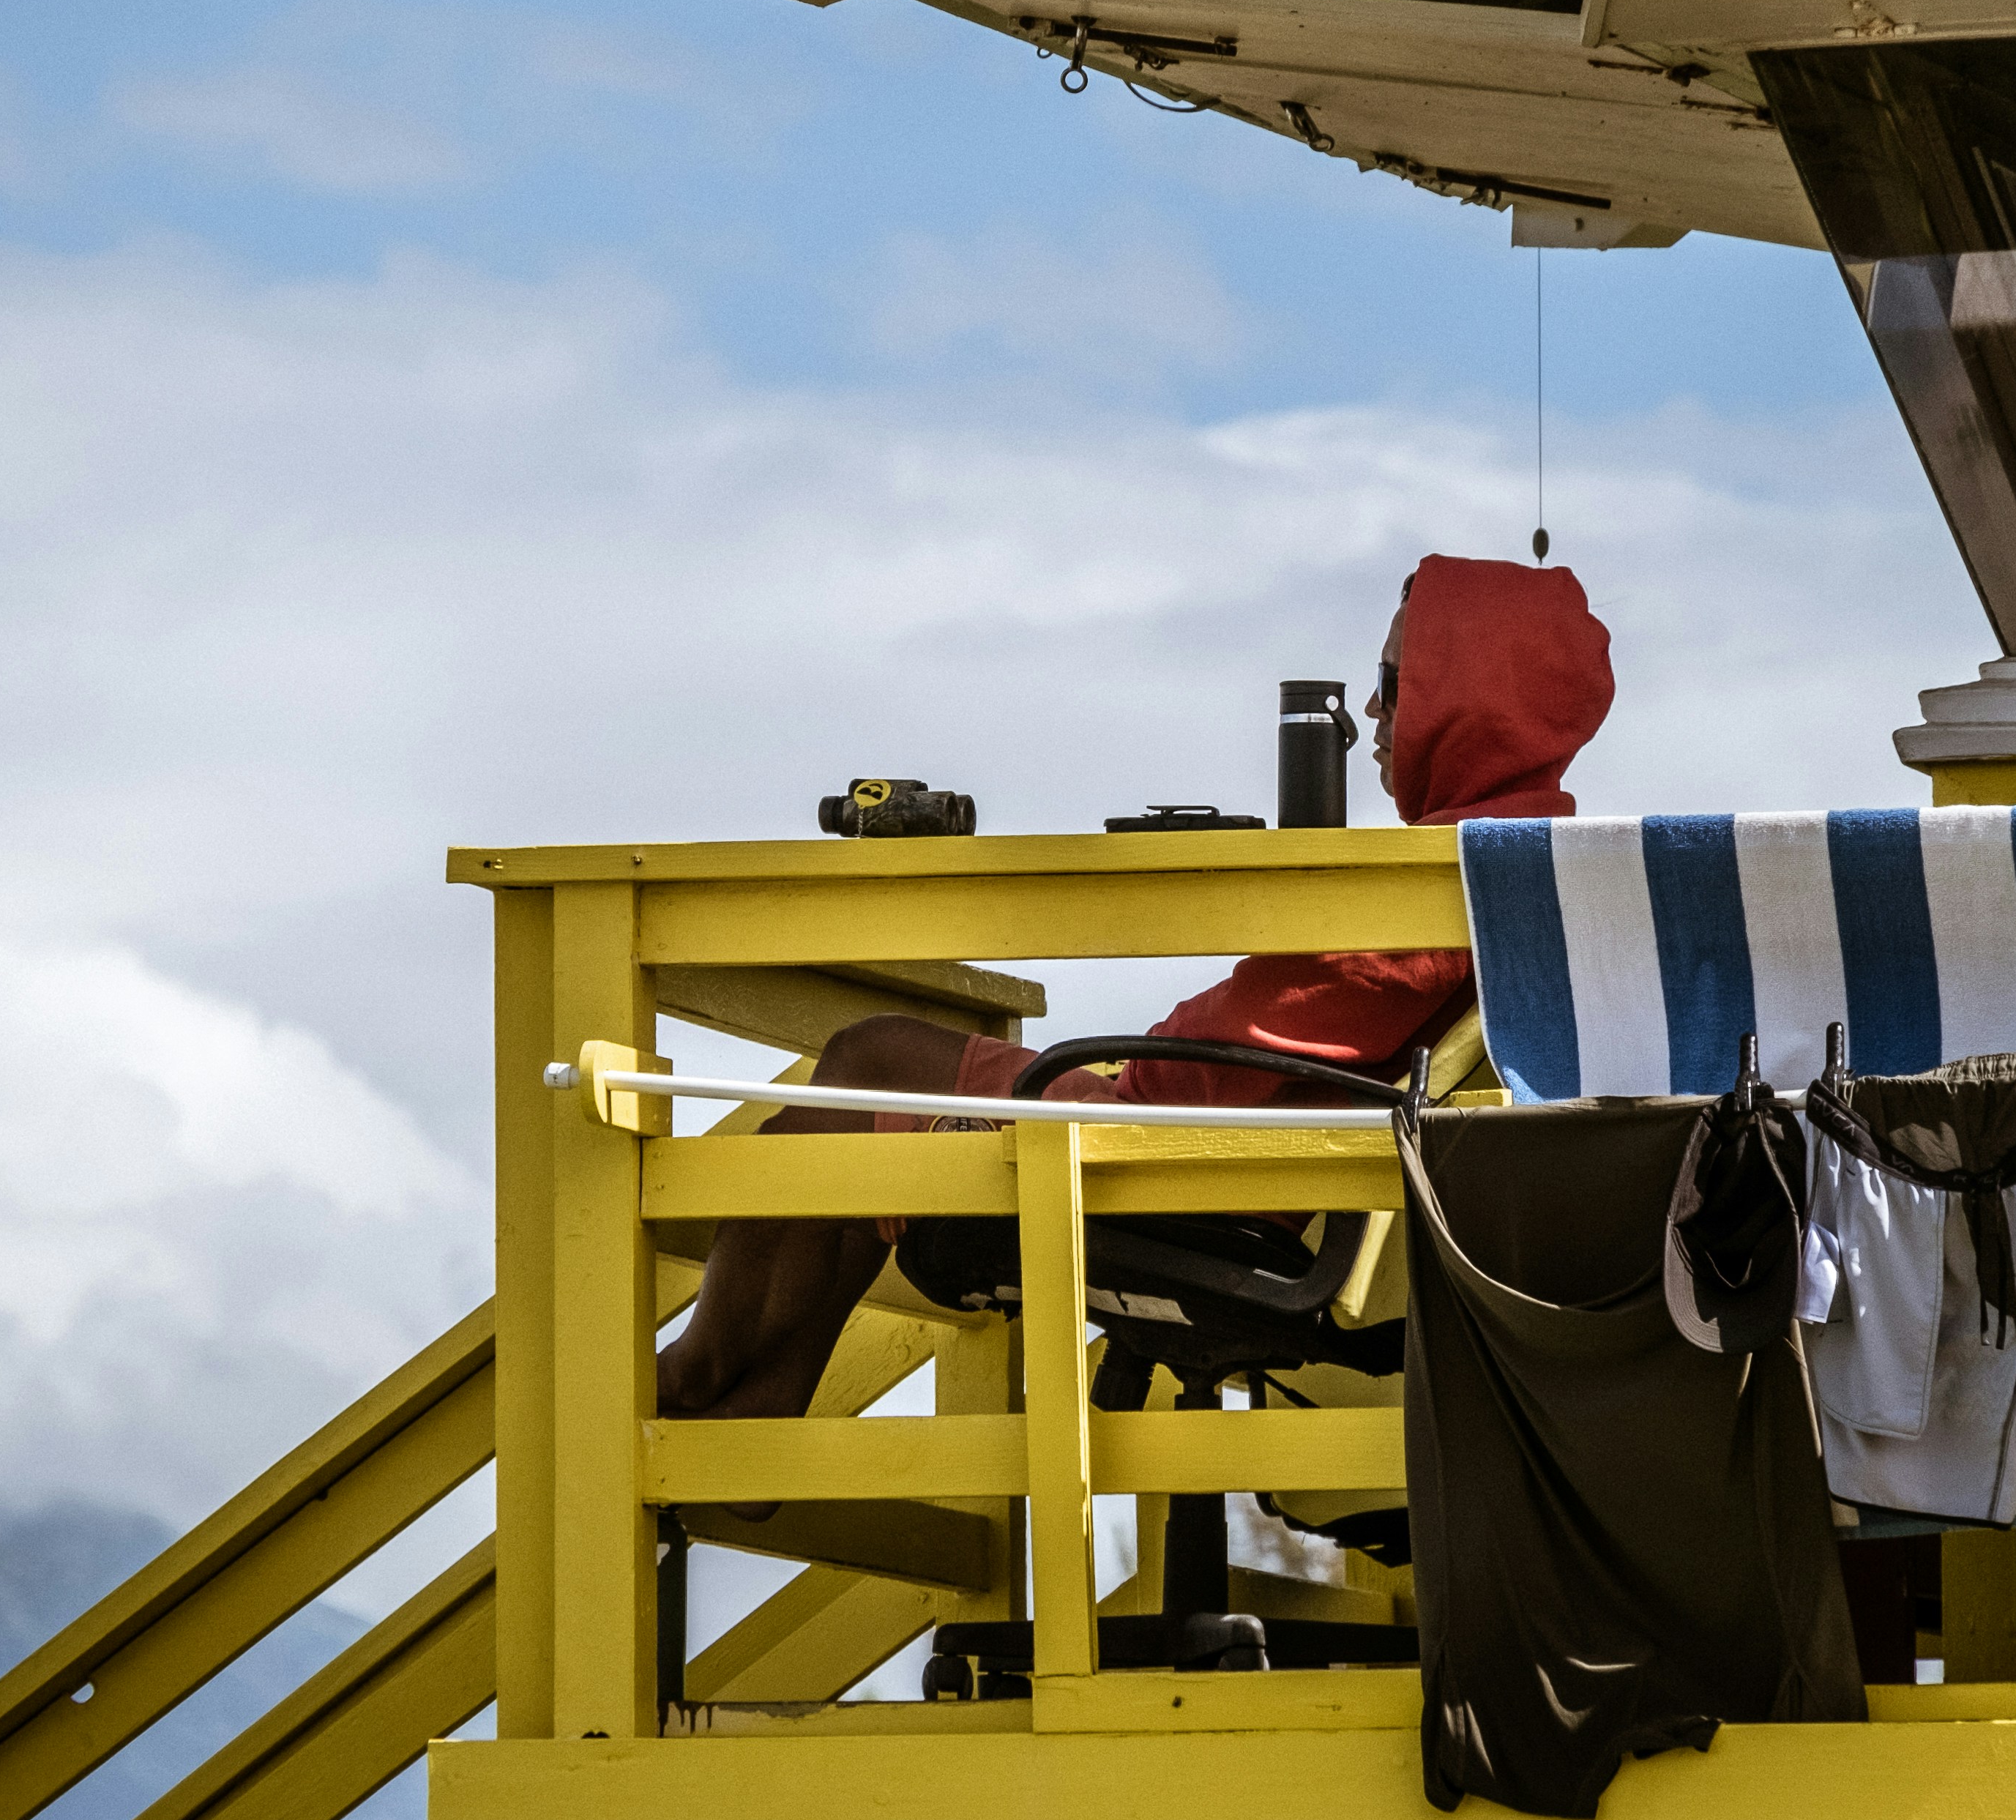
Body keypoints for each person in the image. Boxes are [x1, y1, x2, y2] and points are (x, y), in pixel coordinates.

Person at [657, 553, 1615, 1423]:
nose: (1372, 713)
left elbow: (1223, 1061)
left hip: (1200, 1164)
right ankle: (759, 1388)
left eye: (1393, 683)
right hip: (1265, 1154)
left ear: (1470, 700)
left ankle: (705, 1374)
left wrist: (1109, 1081)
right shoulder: (1516, 862)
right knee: (864, 1104)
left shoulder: (1429, 883)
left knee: (870, 1058)